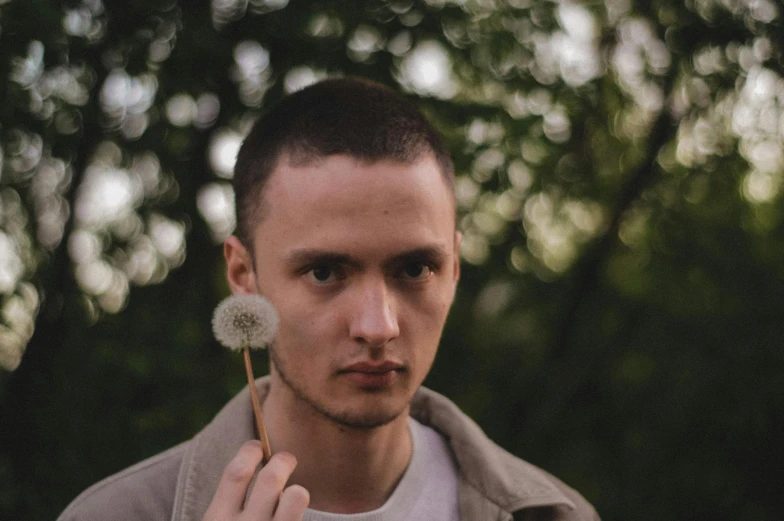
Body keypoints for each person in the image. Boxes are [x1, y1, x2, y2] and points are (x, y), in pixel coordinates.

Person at [58, 78, 599, 521]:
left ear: (454, 269)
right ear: (244, 275)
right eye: (324, 272)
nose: (377, 325)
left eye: (414, 268)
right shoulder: (116, 515)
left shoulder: (553, 514)